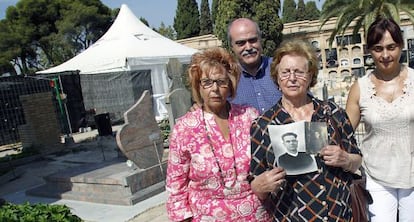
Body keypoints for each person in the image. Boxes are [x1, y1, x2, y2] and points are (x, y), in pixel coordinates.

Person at [248, 39, 362, 221]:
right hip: (290, 215)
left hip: (336, 214)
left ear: (310, 76)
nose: (292, 78)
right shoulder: (263, 125)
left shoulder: (332, 113)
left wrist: (346, 159)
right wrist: (261, 186)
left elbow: (357, 160)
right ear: (276, 77)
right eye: (285, 72)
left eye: (299, 72)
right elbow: (256, 182)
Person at [166, 47, 270, 221]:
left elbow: (267, 161)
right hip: (208, 216)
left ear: (230, 85)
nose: (214, 88)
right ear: (198, 87)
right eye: (207, 82)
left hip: (254, 214)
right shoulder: (185, 128)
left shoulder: (249, 117)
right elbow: (176, 185)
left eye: (221, 82)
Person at [346, 17, 414, 222]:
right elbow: (345, 131)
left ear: (401, 46)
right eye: (378, 48)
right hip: (377, 177)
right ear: (369, 51)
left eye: (391, 47)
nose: (385, 55)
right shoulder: (360, 87)